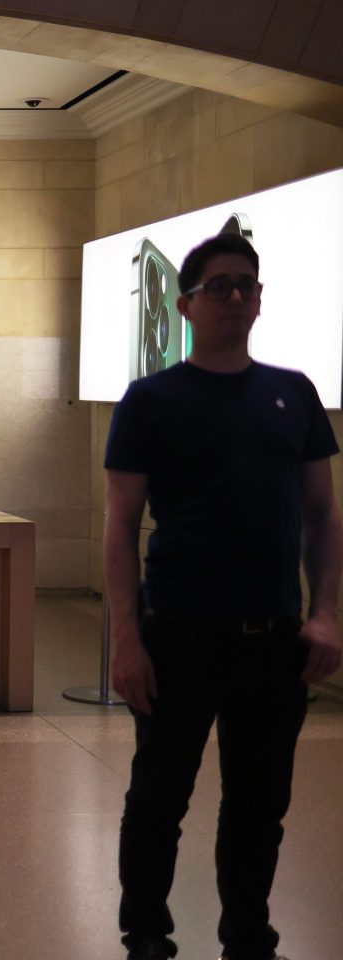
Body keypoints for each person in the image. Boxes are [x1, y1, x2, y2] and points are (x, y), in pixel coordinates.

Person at [104, 232, 342, 960]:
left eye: (247, 285)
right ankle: (146, 933)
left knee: (260, 805)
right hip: (178, 632)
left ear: (260, 299)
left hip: (272, 638)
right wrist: (127, 639)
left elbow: (323, 517)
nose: (236, 297)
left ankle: (248, 935)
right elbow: (118, 528)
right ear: (187, 303)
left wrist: (326, 613)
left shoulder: (294, 392)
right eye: (219, 287)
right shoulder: (152, 399)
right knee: (158, 800)